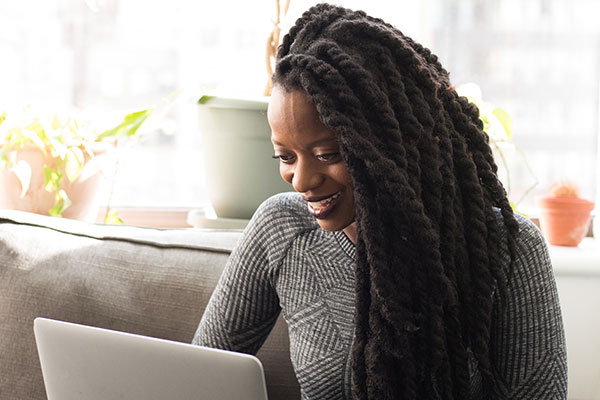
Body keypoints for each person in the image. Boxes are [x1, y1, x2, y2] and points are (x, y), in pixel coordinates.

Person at [193, 3, 567, 399]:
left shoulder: (510, 250)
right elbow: (195, 376)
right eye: (285, 157)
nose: (301, 180)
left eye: (327, 155)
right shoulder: (281, 229)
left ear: (390, 145)